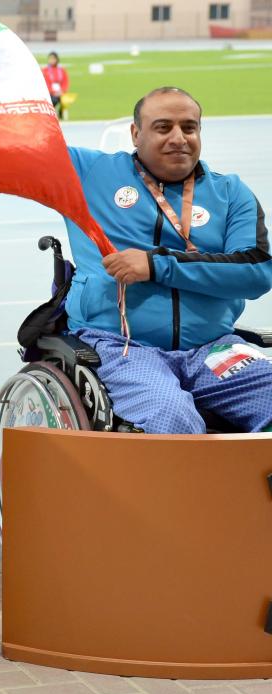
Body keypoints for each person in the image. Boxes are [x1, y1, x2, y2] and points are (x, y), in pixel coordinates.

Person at [62, 86, 271, 434]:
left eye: (189, 128)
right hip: (123, 347)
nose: (179, 138)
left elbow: (256, 271)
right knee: (171, 416)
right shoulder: (89, 173)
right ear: (135, 133)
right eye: (163, 127)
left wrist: (157, 265)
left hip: (212, 348)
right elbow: (19, 152)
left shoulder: (230, 193)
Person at [42, 52, 69, 120]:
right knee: (53, 100)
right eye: (50, 59)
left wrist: (62, 91)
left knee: (64, 100)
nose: (52, 60)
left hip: (61, 92)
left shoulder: (62, 70)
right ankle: (52, 115)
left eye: (53, 59)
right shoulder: (45, 70)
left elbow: (66, 82)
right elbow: (45, 83)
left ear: (57, 59)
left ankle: (61, 113)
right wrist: (53, 91)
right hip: (50, 93)